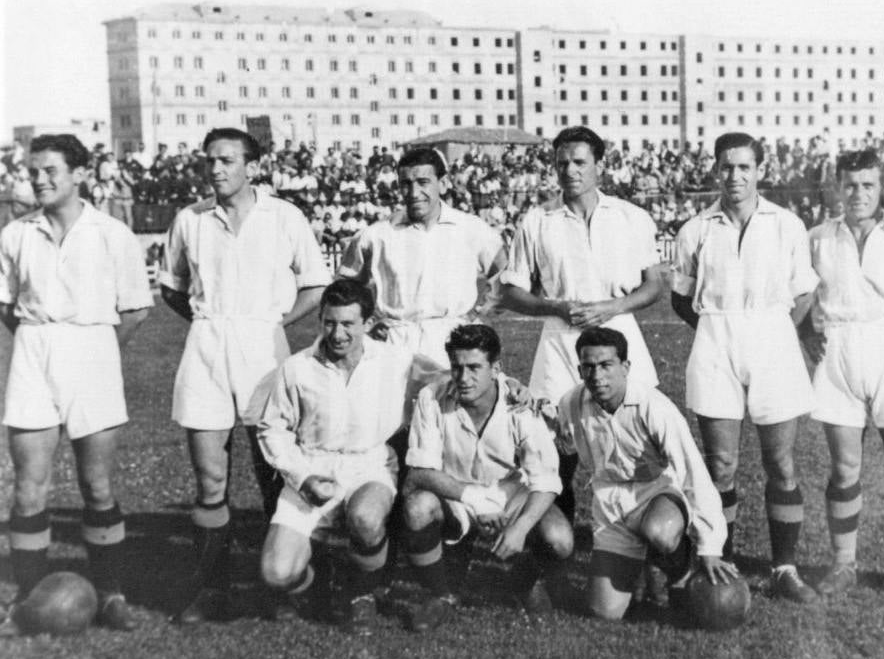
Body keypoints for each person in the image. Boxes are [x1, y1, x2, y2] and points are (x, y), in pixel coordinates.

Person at [159, 127, 330, 624]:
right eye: (209, 160)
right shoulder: (189, 220)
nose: (216, 169)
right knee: (211, 480)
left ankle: (282, 585)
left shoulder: (284, 216)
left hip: (263, 350)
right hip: (206, 348)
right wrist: (209, 323)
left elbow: (316, 285)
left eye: (227, 160)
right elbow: (172, 288)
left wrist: (272, 323)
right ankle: (212, 590)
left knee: (274, 473)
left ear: (253, 167)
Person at [0, 134, 152, 630]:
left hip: (93, 352)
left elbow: (134, 309)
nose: (39, 180)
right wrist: (40, 337)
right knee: (28, 488)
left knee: (97, 484)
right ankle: (26, 597)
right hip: (34, 352)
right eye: (33, 172)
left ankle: (112, 594)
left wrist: (96, 349)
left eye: (50, 172)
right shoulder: (16, 233)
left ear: (81, 174)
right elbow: (5, 305)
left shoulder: (112, 233)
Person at [671, 132, 820, 602]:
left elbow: (803, 294)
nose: (734, 176)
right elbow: (681, 298)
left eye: (744, 167)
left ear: (759, 170)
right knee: (721, 466)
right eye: (726, 167)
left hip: (774, 338)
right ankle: (725, 562)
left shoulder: (787, 224)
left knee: (781, 463)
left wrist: (769, 329)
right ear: (715, 170)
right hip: (715, 339)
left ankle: (784, 568)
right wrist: (722, 330)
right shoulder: (696, 229)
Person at [501, 126, 665, 524]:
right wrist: (555, 307)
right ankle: (560, 548)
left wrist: (613, 306)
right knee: (555, 452)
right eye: (562, 164)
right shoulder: (538, 220)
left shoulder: (631, 217)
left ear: (598, 165)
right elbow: (511, 291)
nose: (570, 171)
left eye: (579, 162)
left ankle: (637, 550)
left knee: (631, 444)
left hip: (620, 336)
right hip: (560, 343)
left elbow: (655, 285)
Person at [804, 149, 884, 601]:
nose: (858, 194)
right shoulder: (818, 237)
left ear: (883, 188)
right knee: (844, 469)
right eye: (850, 185)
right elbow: (799, 298)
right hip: (839, 350)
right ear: (836, 186)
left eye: (868, 185)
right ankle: (844, 564)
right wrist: (807, 334)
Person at [257, 279, 410, 631]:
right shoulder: (296, 368)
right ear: (321, 320)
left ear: (368, 324)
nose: (337, 334)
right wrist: (302, 477)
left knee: (367, 519)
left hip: (368, 464)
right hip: (312, 467)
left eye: (348, 324)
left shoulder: (395, 360)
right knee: (276, 573)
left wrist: (510, 387)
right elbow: (272, 429)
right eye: (329, 322)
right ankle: (318, 585)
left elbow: (447, 377)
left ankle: (361, 594)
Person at [401, 324, 573, 632]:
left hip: (510, 494)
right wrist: (475, 500)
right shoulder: (432, 397)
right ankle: (440, 594)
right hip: (456, 494)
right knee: (417, 508)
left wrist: (519, 529)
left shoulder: (520, 404)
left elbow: (546, 481)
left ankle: (523, 582)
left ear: (495, 368)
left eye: (474, 368)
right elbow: (421, 472)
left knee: (559, 540)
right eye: (457, 367)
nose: (464, 378)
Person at [558, 327, 737, 621]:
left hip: (656, 494)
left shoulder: (654, 406)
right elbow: (555, 437)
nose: (597, 376)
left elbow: (694, 472)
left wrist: (711, 545)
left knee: (660, 533)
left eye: (606, 365)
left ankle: (681, 567)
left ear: (625, 367)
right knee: (605, 611)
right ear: (579, 369)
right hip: (610, 504)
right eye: (588, 367)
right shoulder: (571, 403)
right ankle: (642, 565)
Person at [338, 147, 505, 403]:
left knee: (450, 425)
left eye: (423, 182)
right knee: (392, 425)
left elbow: (503, 274)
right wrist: (367, 323)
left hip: (451, 341)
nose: (414, 193)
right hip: (393, 342)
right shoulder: (376, 235)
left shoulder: (471, 228)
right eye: (406, 184)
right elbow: (344, 288)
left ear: (444, 183)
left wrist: (480, 315)